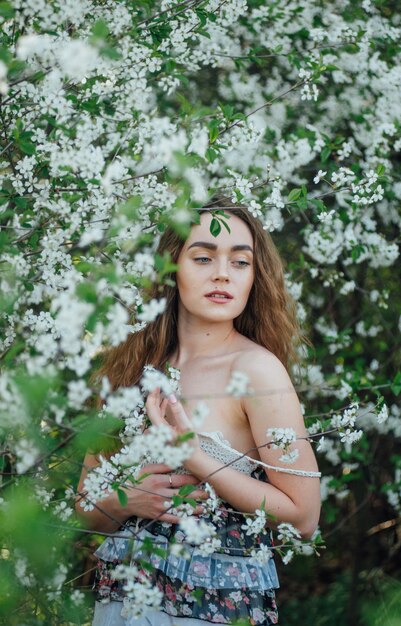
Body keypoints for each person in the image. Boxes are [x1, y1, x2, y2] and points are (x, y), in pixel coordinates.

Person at [76, 196, 321, 626]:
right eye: (204, 257)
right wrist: (127, 498)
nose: (222, 273)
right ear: (171, 268)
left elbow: (304, 517)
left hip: (213, 605)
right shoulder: (129, 369)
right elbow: (84, 511)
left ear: (254, 277)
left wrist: (195, 456)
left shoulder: (257, 371)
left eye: (240, 262)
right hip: (124, 599)